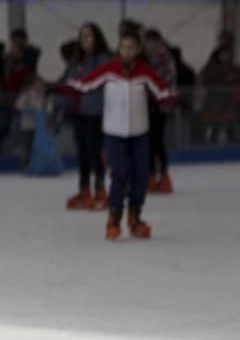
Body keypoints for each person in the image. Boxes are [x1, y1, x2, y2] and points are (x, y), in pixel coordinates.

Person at [64, 31, 175, 241]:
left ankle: (135, 217)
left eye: (131, 47)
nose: (127, 52)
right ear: (118, 49)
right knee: (120, 175)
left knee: (140, 177)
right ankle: (114, 218)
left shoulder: (145, 72)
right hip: (115, 133)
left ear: (138, 50)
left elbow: (161, 91)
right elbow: (85, 84)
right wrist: (62, 87)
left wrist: (172, 99)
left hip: (140, 133)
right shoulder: (109, 70)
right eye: (123, 47)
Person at [62, 23, 111, 210]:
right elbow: (69, 82)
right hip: (78, 111)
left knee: (94, 150)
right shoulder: (77, 61)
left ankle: (100, 188)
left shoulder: (102, 59)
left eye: (89, 35)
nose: (85, 40)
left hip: (95, 111)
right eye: (82, 36)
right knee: (82, 151)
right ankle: (84, 188)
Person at [143, 29, 177, 193]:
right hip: (148, 105)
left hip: (161, 106)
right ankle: (150, 175)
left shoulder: (164, 58)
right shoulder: (146, 58)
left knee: (156, 141)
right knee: (150, 141)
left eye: (150, 42)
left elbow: (166, 81)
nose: (147, 46)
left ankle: (162, 175)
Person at [198, 46, 239, 145]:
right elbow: (204, 80)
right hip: (214, 102)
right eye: (223, 54)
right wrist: (224, 78)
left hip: (229, 102)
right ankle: (211, 141)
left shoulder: (233, 67)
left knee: (230, 123)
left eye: (227, 54)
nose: (226, 57)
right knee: (214, 123)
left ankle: (231, 141)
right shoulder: (211, 67)